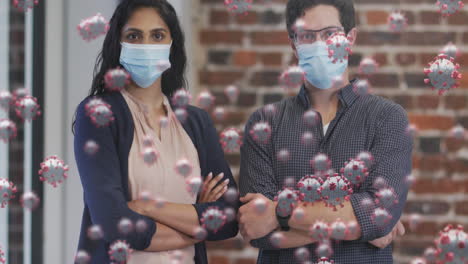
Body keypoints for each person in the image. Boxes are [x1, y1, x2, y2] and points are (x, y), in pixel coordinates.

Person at [238, 0, 412, 263]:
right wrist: (357, 227)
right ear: (294, 44)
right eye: (308, 36)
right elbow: (256, 230)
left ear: (350, 38)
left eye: (330, 33)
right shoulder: (265, 122)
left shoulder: (387, 118)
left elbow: (380, 216)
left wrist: (279, 213)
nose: (320, 44)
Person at [73, 0, 239, 263]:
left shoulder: (197, 122)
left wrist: (147, 207)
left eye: (157, 36)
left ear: (172, 44)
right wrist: (197, 225)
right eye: (134, 36)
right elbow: (113, 223)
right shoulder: (97, 115)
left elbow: (228, 217)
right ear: (118, 44)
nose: (146, 45)